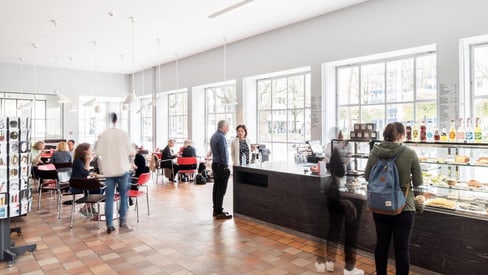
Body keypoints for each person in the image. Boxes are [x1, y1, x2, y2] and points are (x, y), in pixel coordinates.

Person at [364, 122, 423, 275]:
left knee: (382, 244)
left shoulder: (374, 152)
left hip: (379, 204)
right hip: (403, 207)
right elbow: (418, 184)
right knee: (402, 248)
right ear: (402, 135)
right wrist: (420, 206)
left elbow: (366, 176)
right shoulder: (410, 153)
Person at [315, 147, 364, 275]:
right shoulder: (341, 171)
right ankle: (349, 268)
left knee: (333, 229)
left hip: (332, 199)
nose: (350, 158)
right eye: (349, 155)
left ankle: (330, 262)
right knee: (350, 235)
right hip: (344, 201)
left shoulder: (333, 168)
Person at [95, 112, 134, 234]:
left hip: (109, 170)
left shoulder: (103, 135)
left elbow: (98, 152)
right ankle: (123, 222)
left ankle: (109, 225)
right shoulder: (123, 134)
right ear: (117, 120)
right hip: (122, 169)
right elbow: (130, 152)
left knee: (109, 197)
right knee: (123, 196)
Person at [70, 143, 102, 216]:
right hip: (77, 186)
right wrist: (88, 161)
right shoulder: (78, 161)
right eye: (90, 149)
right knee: (98, 188)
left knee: (99, 188)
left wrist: (88, 161)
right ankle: (85, 208)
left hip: (81, 183)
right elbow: (85, 173)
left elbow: (84, 173)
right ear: (85, 151)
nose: (91, 150)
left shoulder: (80, 160)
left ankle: (90, 207)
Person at [210, 120, 232, 219]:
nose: (228, 129)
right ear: (223, 127)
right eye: (227, 127)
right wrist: (226, 166)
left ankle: (216, 209)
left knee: (216, 189)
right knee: (221, 190)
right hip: (221, 166)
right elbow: (223, 153)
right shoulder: (221, 137)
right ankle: (219, 211)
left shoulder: (214, 136)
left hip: (215, 165)